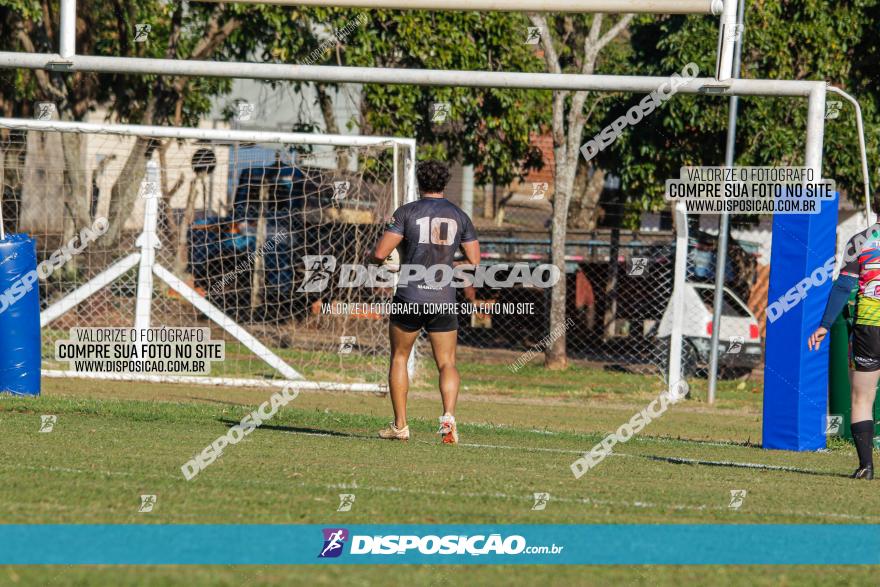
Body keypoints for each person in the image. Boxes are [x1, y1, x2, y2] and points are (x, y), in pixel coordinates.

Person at [369, 160, 480, 444]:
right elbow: (474, 263)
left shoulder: (407, 212)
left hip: (410, 296)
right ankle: (448, 418)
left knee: (399, 358)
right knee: (447, 363)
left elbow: (380, 253)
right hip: (442, 298)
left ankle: (400, 426)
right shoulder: (460, 216)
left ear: (420, 182)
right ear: (444, 183)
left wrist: (391, 261)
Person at [808, 199, 880, 479]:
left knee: (862, 397)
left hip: (868, 328)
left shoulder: (860, 241)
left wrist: (825, 325)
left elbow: (843, 287)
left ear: (875, 207)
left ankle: (866, 467)